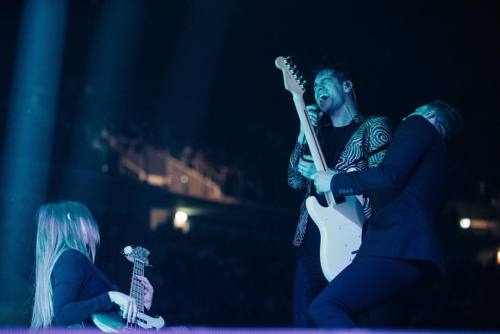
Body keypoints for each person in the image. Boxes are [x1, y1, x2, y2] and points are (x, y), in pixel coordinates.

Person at [310, 100, 463, 327]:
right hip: (416, 258)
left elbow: (389, 175)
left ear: (429, 114)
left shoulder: (418, 124)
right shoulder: (440, 161)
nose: (405, 118)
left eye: (412, 111)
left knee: (324, 306)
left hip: (394, 247)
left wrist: (335, 181)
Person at [287, 63, 392, 327]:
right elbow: (293, 180)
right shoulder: (316, 134)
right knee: (304, 323)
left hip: (355, 244)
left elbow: (383, 182)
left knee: (346, 321)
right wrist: (303, 134)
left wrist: (330, 178)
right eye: (315, 85)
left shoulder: (373, 126)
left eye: (325, 81)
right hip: (310, 246)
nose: (317, 88)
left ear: (346, 86)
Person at [31, 201, 155, 328]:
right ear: (71, 220)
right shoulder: (71, 257)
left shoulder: (70, 259)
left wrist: (141, 306)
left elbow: (108, 323)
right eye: (87, 219)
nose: (94, 224)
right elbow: (62, 314)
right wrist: (111, 297)